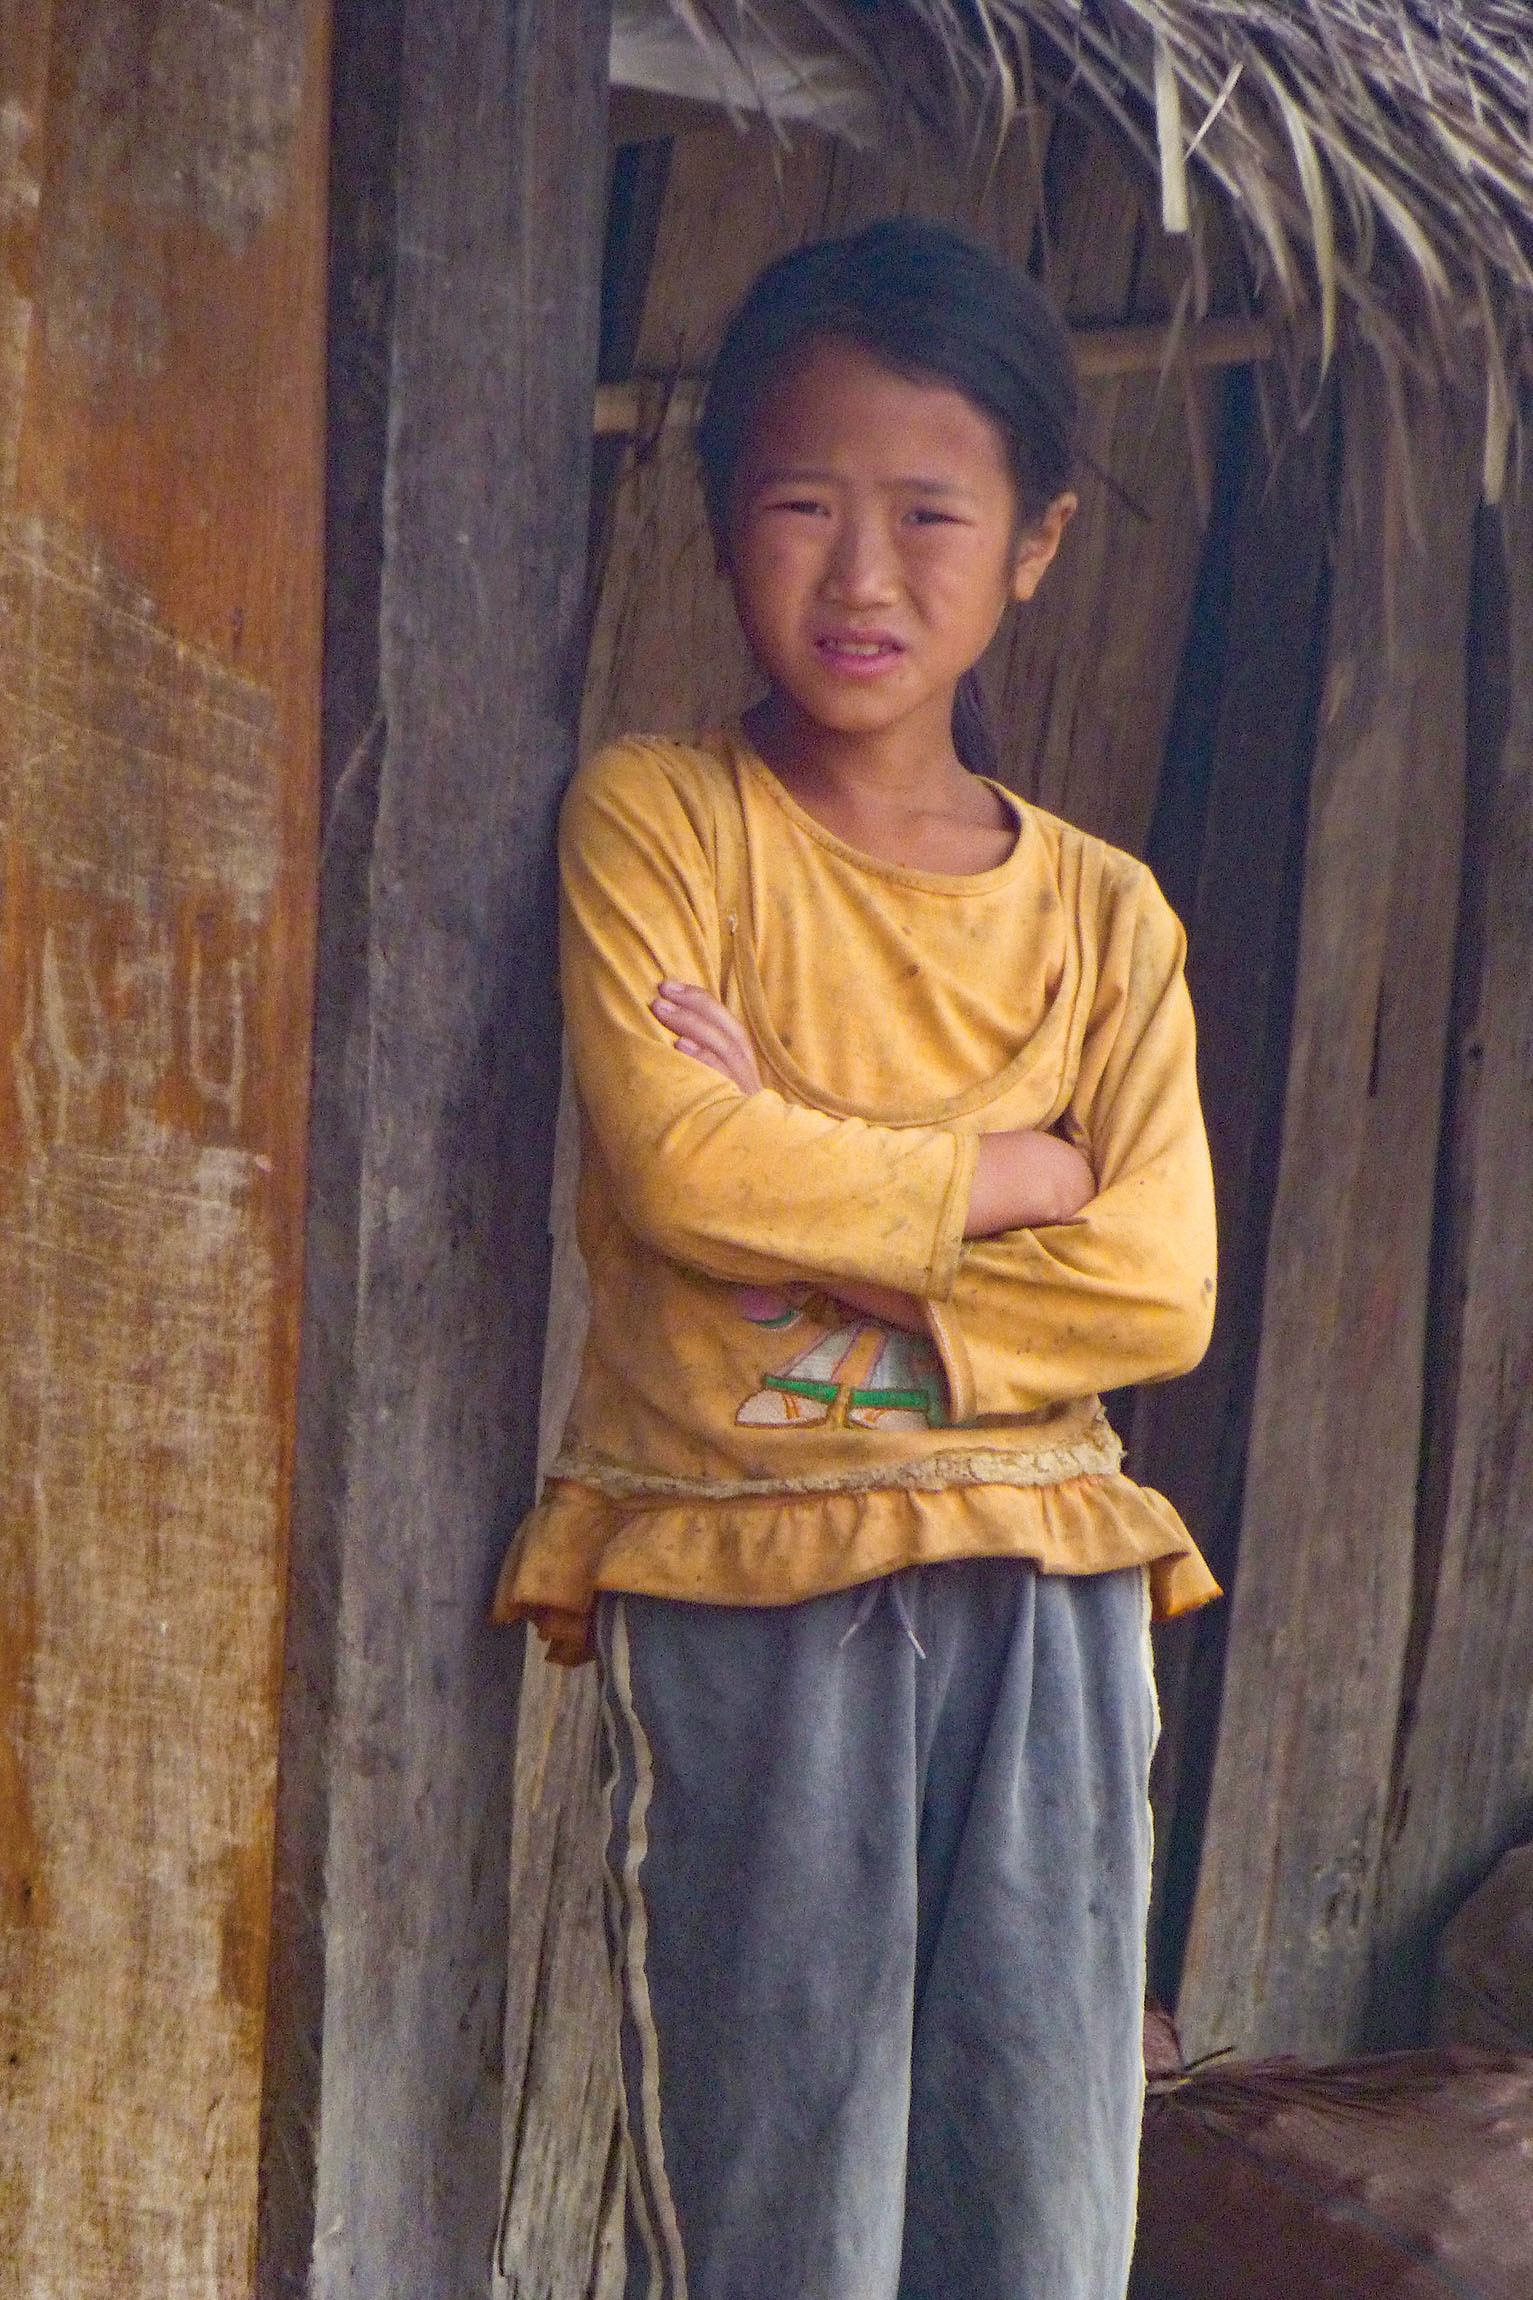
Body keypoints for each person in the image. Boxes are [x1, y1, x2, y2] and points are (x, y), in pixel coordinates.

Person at [494, 217, 1220, 2300]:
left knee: (1035, 2197)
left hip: (1051, 1594)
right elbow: (678, 1171)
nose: (862, 575)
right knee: (781, 2195)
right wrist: (1003, 1171)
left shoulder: (1104, 919)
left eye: (930, 514)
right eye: (803, 507)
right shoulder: (662, 826)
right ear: (723, 522)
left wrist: (821, 1179)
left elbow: (1155, 1288)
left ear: (1035, 545)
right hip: (750, 1567)